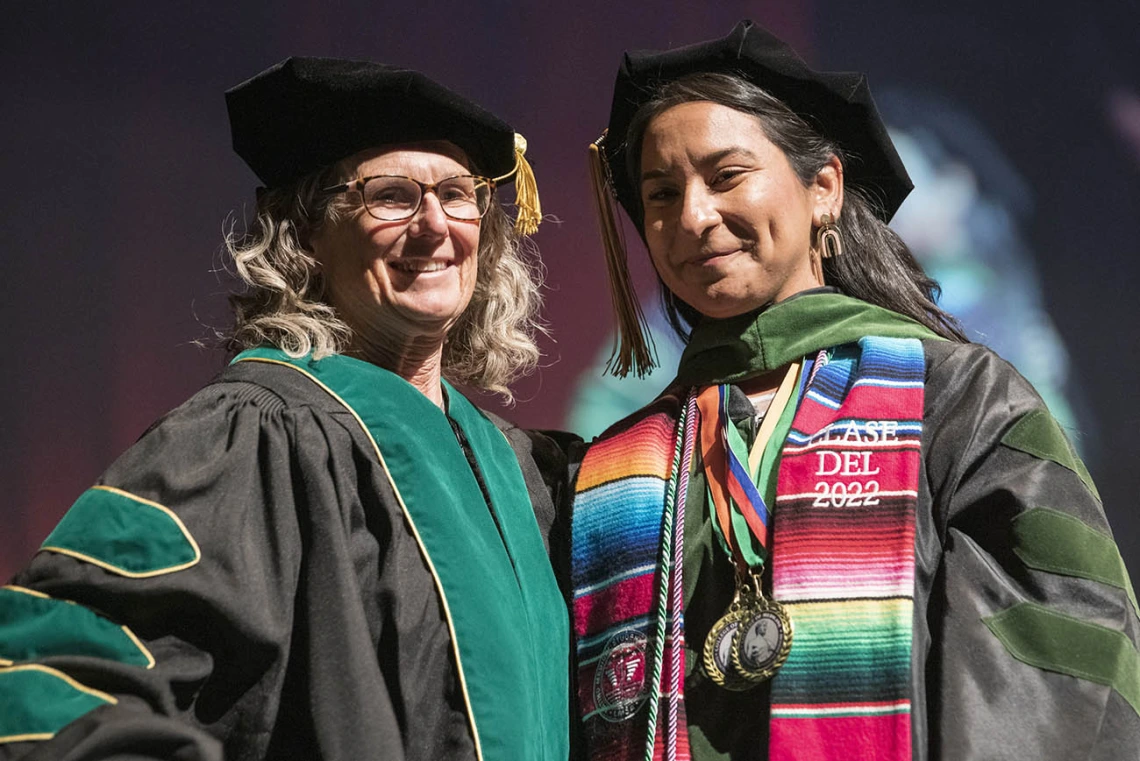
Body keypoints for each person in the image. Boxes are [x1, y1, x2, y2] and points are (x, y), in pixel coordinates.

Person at [571, 21, 1140, 761]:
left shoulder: (961, 402)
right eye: (661, 192)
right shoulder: (616, 465)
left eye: (727, 175)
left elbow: (1069, 655)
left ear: (825, 188)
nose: (693, 215)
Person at [0, 57, 569, 761]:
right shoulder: (256, 435)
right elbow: (53, 669)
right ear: (305, 236)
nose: (433, 224)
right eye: (391, 195)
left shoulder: (521, 472)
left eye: (458, 193)